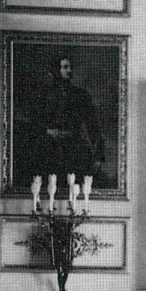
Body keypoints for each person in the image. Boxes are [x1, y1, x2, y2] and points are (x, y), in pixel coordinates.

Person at [37, 54, 103, 194]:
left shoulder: (81, 95)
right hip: (48, 148)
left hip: (74, 148)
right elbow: (35, 122)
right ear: (56, 70)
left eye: (70, 67)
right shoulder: (43, 95)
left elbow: (93, 126)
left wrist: (98, 155)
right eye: (65, 67)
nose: (69, 71)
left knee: (75, 186)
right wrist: (47, 131)